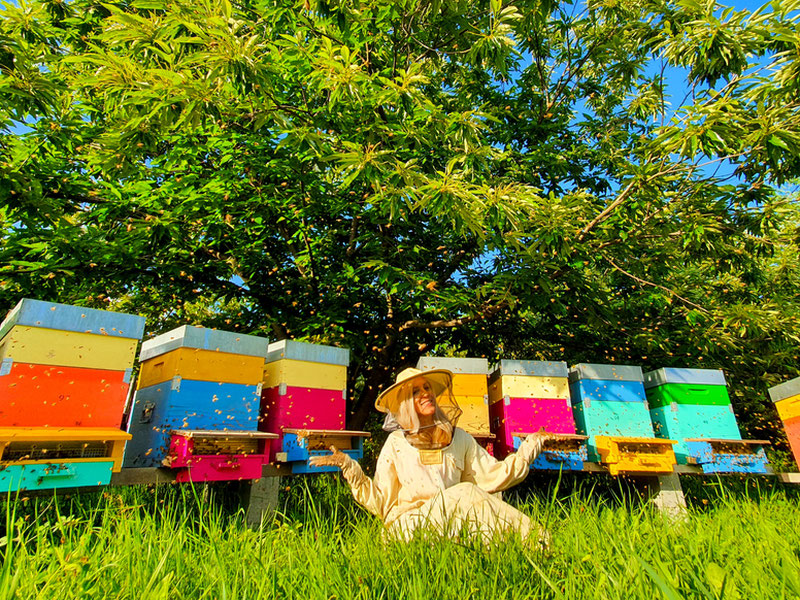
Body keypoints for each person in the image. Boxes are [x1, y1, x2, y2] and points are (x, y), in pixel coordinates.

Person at [309, 367, 554, 546]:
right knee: (466, 492)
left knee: (477, 507)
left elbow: (493, 476)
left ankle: (538, 542)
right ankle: (534, 541)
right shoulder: (396, 444)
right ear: (405, 403)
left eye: (427, 387)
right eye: (416, 391)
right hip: (409, 526)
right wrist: (349, 467)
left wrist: (528, 448)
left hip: (453, 522)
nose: (426, 393)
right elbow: (382, 501)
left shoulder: (459, 438)